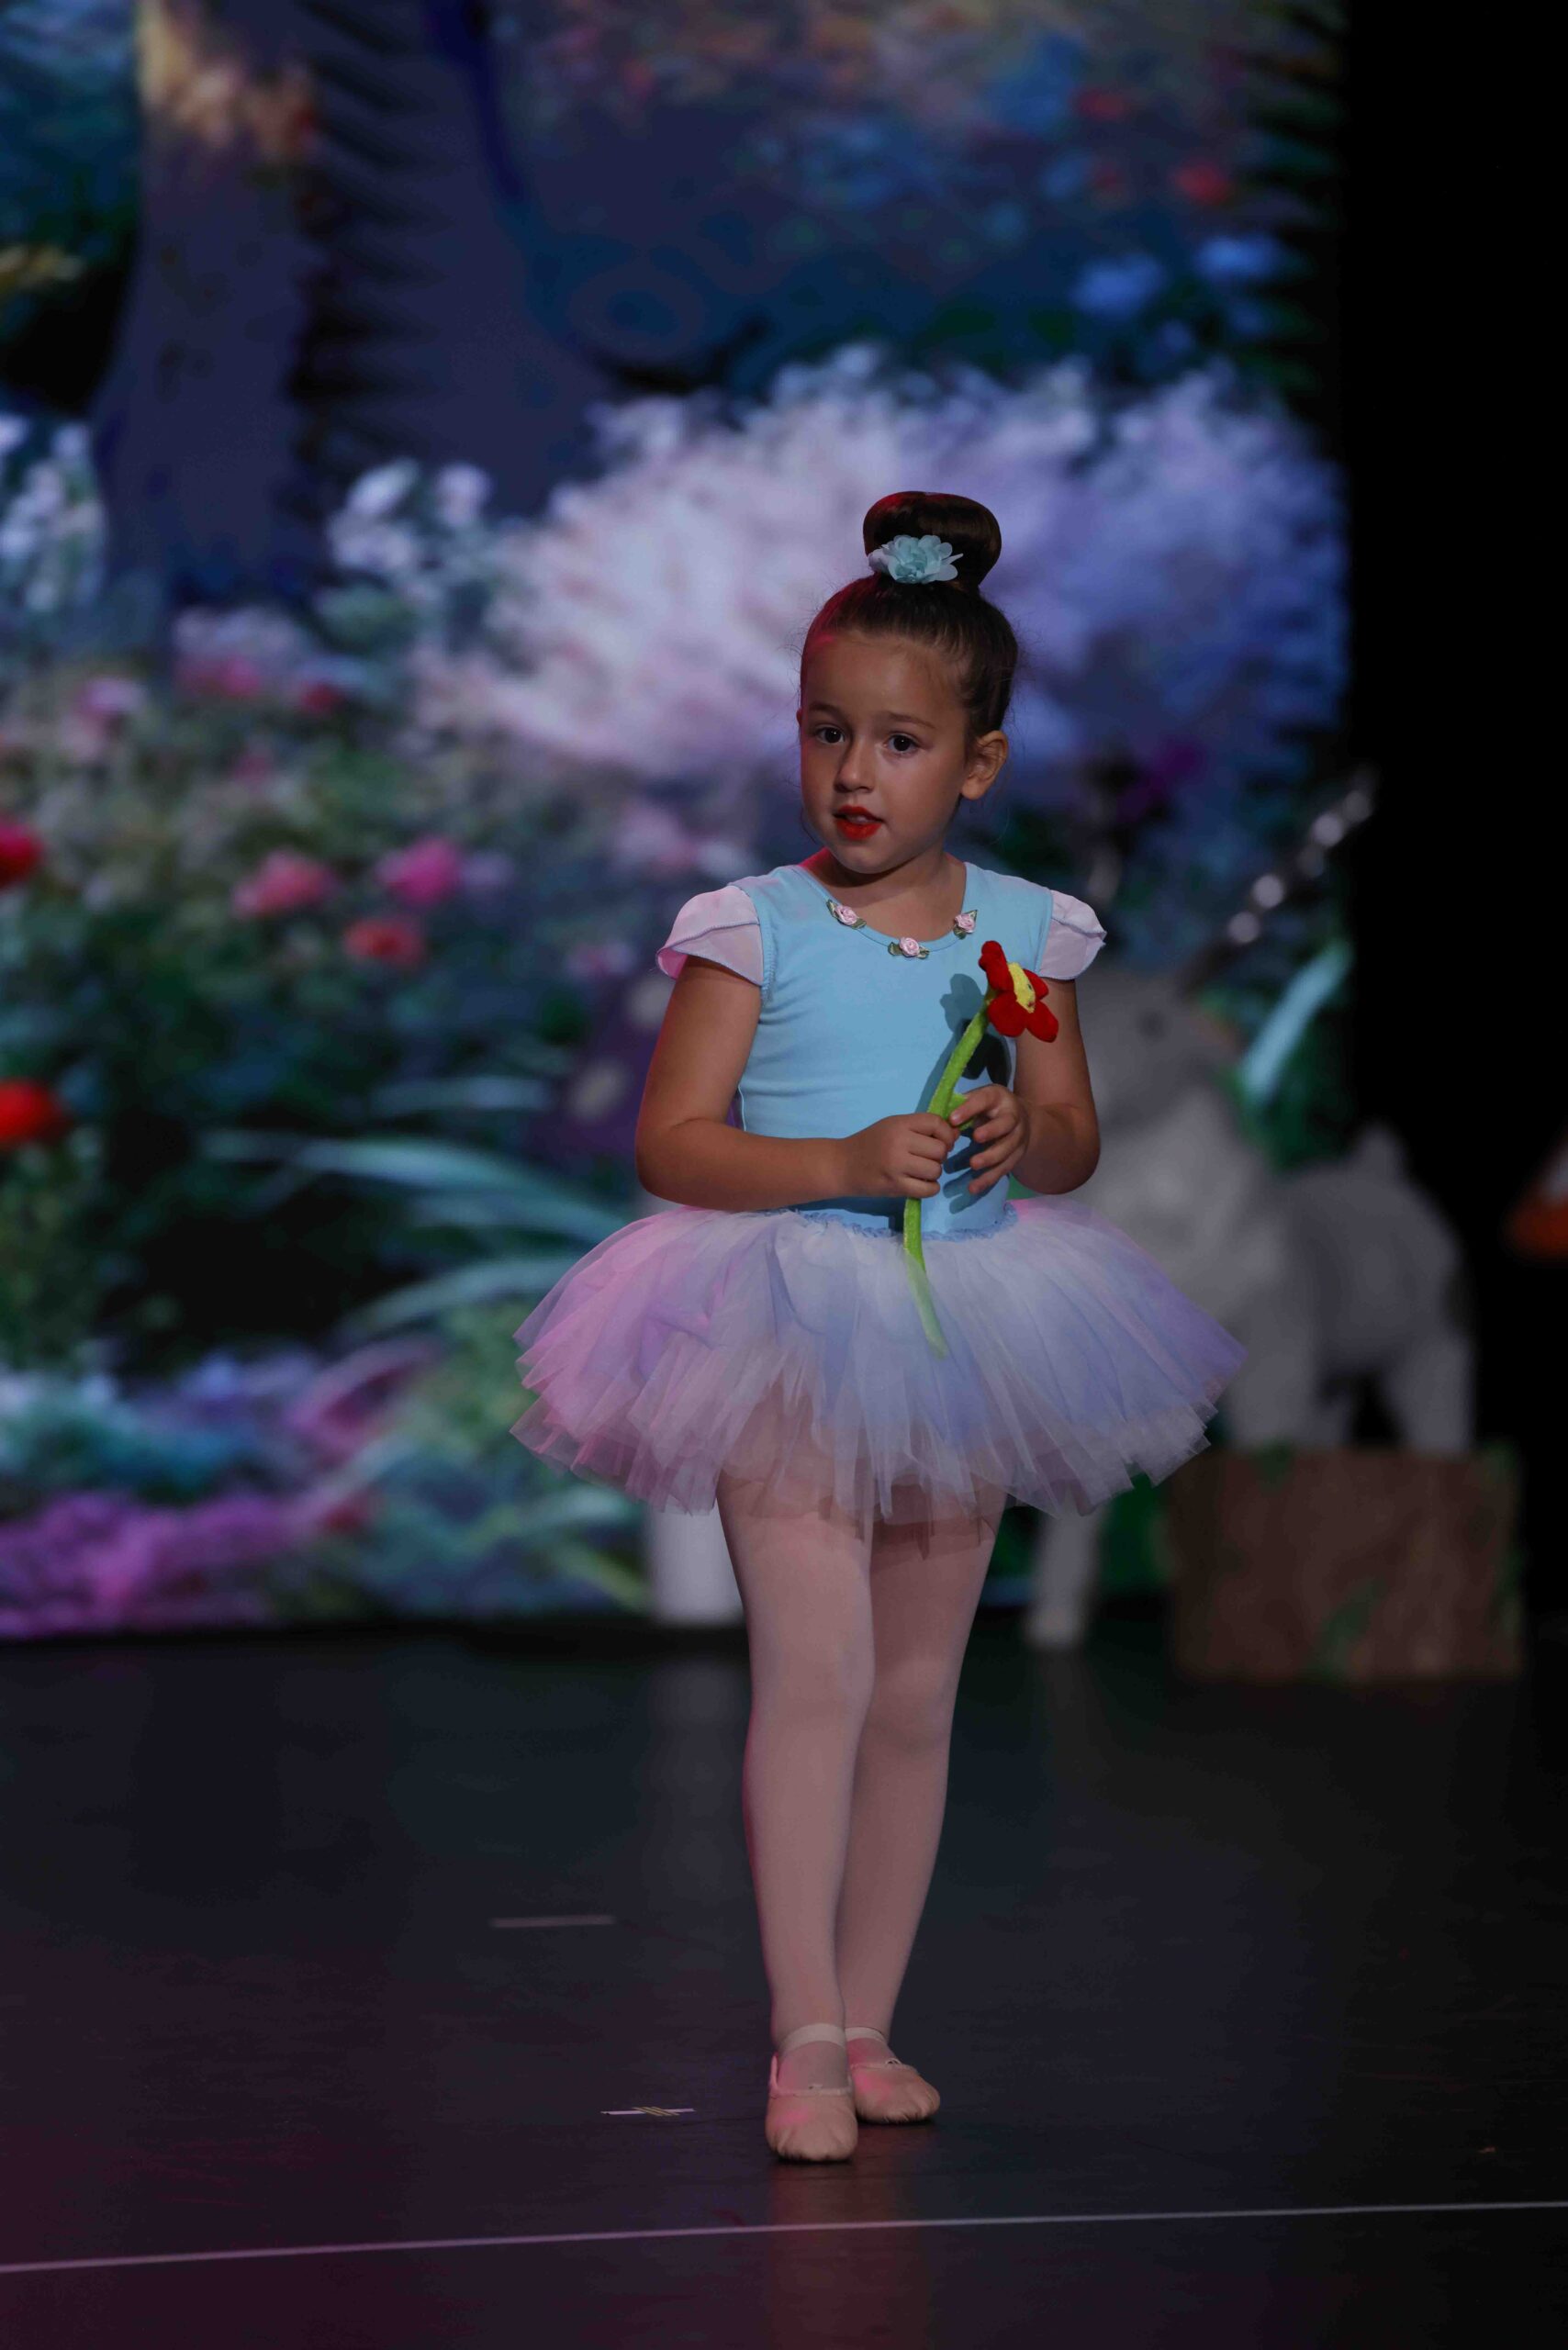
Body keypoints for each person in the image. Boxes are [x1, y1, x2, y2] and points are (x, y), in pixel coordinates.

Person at [512, 490, 1246, 2163]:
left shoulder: (1025, 937)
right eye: (827, 731)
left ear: (978, 764)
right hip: (780, 1315)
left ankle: (870, 2022)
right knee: (820, 1674)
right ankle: (800, 2042)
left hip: (962, 1327)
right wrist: (841, 1162)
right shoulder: (751, 928)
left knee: (916, 1693)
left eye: (901, 744)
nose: (856, 773)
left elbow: (1070, 1133)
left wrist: (1016, 1134)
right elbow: (673, 1145)